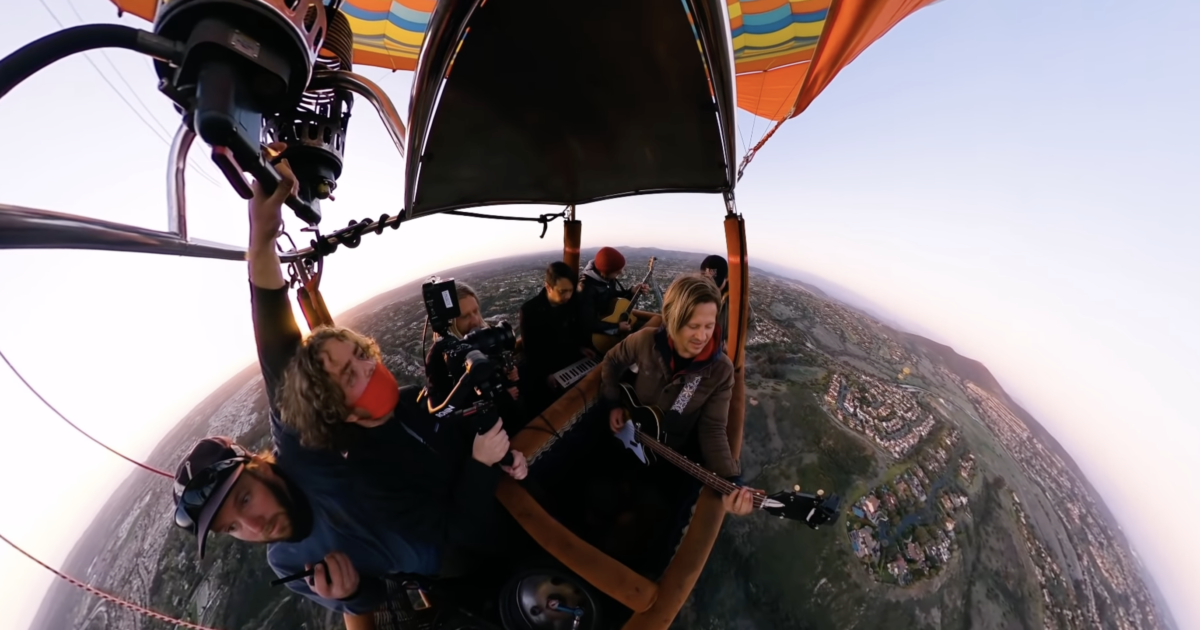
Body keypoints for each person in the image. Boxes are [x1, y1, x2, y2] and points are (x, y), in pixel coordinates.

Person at [172, 146, 526, 615]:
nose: (254, 526)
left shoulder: (307, 456)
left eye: (244, 498)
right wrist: (351, 595)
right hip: (450, 581)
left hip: (476, 524)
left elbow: (282, 362)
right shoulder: (287, 563)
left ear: (259, 466)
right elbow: (381, 595)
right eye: (234, 527)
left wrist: (260, 245)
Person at [599, 273, 754, 517]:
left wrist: (730, 480)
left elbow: (713, 427)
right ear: (672, 319)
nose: (702, 336)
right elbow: (612, 361)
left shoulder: (720, 370)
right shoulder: (644, 341)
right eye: (693, 326)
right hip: (626, 434)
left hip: (668, 456)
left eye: (709, 326)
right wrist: (612, 404)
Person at [423, 281, 524, 432]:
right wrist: (500, 398)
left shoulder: (485, 334)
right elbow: (449, 413)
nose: (475, 320)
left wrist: (507, 373)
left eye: (476, 311)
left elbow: (497, 366)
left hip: (513, 415)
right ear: (450, 323)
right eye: (465, 316)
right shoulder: (439, 359)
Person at [518, 262, 594, 416]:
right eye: (562, 291)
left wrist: (580, 347)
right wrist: (546, 374)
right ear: (548, 287)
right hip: (544, 370)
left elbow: (573, 333)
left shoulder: (572, 302)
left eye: (570, 291)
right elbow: (531, 352)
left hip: (569, 361)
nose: (568, 296)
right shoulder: (530, 311)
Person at [576, 246, 649, 345]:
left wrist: (632, 291)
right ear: (605, 272)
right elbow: (586, 322)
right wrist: (616, 328)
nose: (621, 273)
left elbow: (614, 300)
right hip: (596, 338)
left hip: (611, 324)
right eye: (617, 272)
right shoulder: (586, 288)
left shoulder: (606, 278)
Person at [700, 255, 730, 348]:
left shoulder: (735, 299)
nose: (711, 287)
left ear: (727, 278)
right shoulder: (693, 292)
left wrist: (730, 343)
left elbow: (750, 324)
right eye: (707, 282)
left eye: (716, 283)